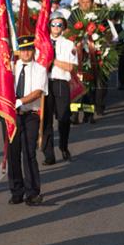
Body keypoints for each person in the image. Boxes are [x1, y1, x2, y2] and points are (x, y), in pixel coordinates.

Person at [8, 36, 47, 206]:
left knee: (29, 153)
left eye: (29, 49)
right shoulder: (11, 67)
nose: (25, 52)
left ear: (33, 51)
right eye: (23, 49)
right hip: (12, 115)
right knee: (13, 153)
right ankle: (17, 191)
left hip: (30, 114)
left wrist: (21, 101)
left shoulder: (40, 69)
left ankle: (32, 192)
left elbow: (38, 92)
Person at [41, 14, 78, 165]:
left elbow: (70, 67)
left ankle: (63, 146)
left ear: (63, 28)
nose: (56, 27)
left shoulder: (69, 44)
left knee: (63, 117)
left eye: (59, 25)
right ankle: (48, 154)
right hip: (44, 83)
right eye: (53, 24)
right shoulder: (41, 43)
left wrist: (53, 60)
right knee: (46, 120)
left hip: (61, 82)